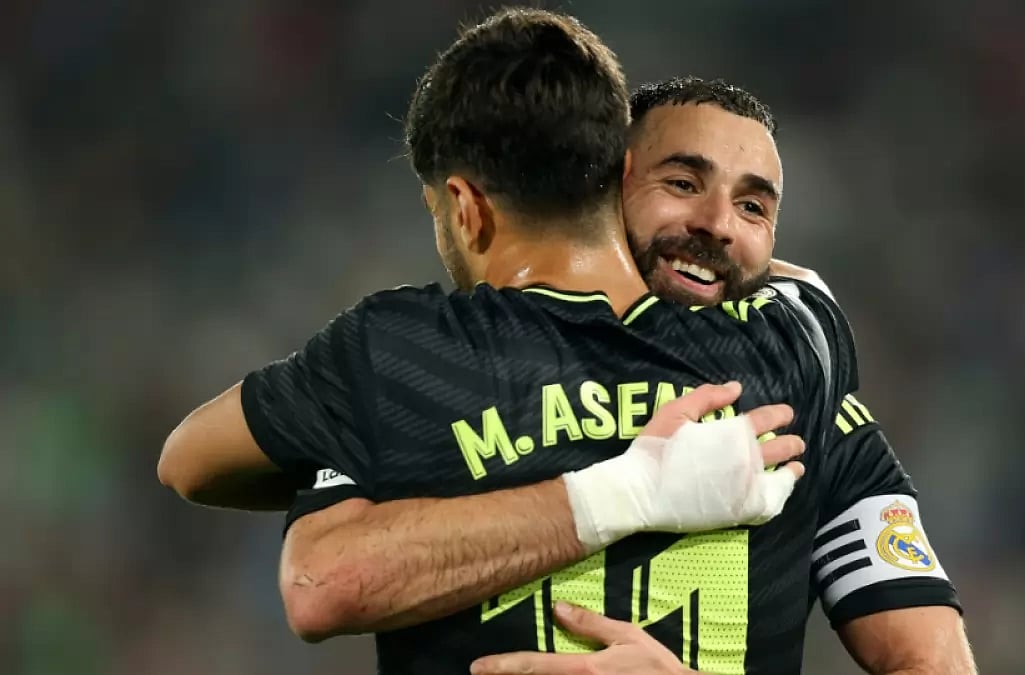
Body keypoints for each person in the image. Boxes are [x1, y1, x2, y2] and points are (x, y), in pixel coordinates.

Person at [157, 9, 972, 675]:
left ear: (464, 207)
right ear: (615, 175)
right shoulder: (796, 349)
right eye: (686, 185)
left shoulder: (400, 357)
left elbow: (199, 473)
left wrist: (382, 454)